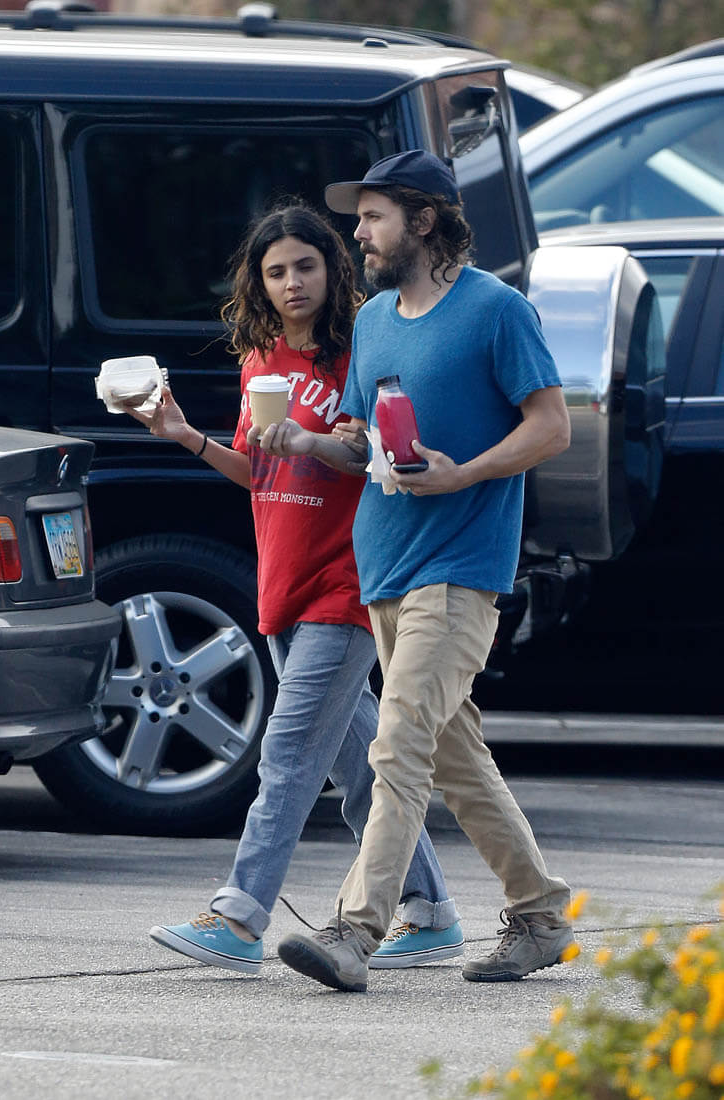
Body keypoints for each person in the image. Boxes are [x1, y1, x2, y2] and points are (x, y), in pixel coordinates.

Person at [125, 202, 462, 975]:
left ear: (331, 269)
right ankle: (428, 910)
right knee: (357, 769)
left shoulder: (360, 351)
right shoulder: (260, 360)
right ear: (259, 283)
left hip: (346, 580)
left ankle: (239, 916)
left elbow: (374, 455)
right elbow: (259, 471)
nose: (291, 283)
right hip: (282, 580)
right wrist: (185, 436)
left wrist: (314, 439)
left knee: (285, 753)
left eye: (304, 266)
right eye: (275, 272)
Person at [270, 152, 576, 993]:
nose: (357, 234)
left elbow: (551, 427)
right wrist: (312, 440)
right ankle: (541, 914)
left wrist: (462, 473)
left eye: (372, 217)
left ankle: (354, 930)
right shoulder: (373, 320)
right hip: (384, 568)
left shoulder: (496, 310)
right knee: (451, 757)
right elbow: (360, 443)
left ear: (425, 220)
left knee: (397, 745)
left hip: (459, 566)